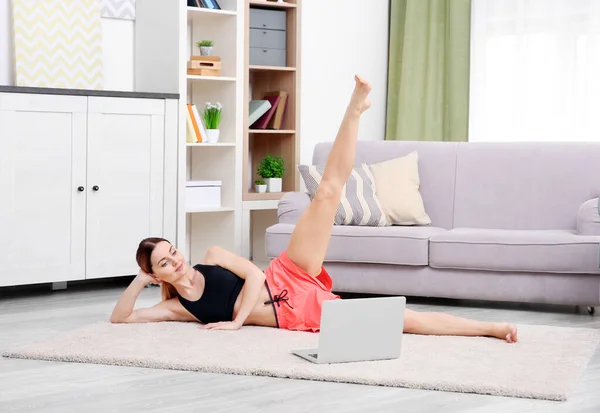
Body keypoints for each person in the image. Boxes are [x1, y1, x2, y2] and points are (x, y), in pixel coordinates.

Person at [110, 75, 518, 343]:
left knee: (326, 194)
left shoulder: (213, 257)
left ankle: (354, 110)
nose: (176, 261)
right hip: (295, 313)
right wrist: (137, 281)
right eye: (164, 263)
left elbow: (254, 274)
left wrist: (236, 323)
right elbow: (121, 320)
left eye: (173, 251)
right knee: (401, 320)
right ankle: (490, 328)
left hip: (285, 274)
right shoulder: (176, 308)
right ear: (155, 272)